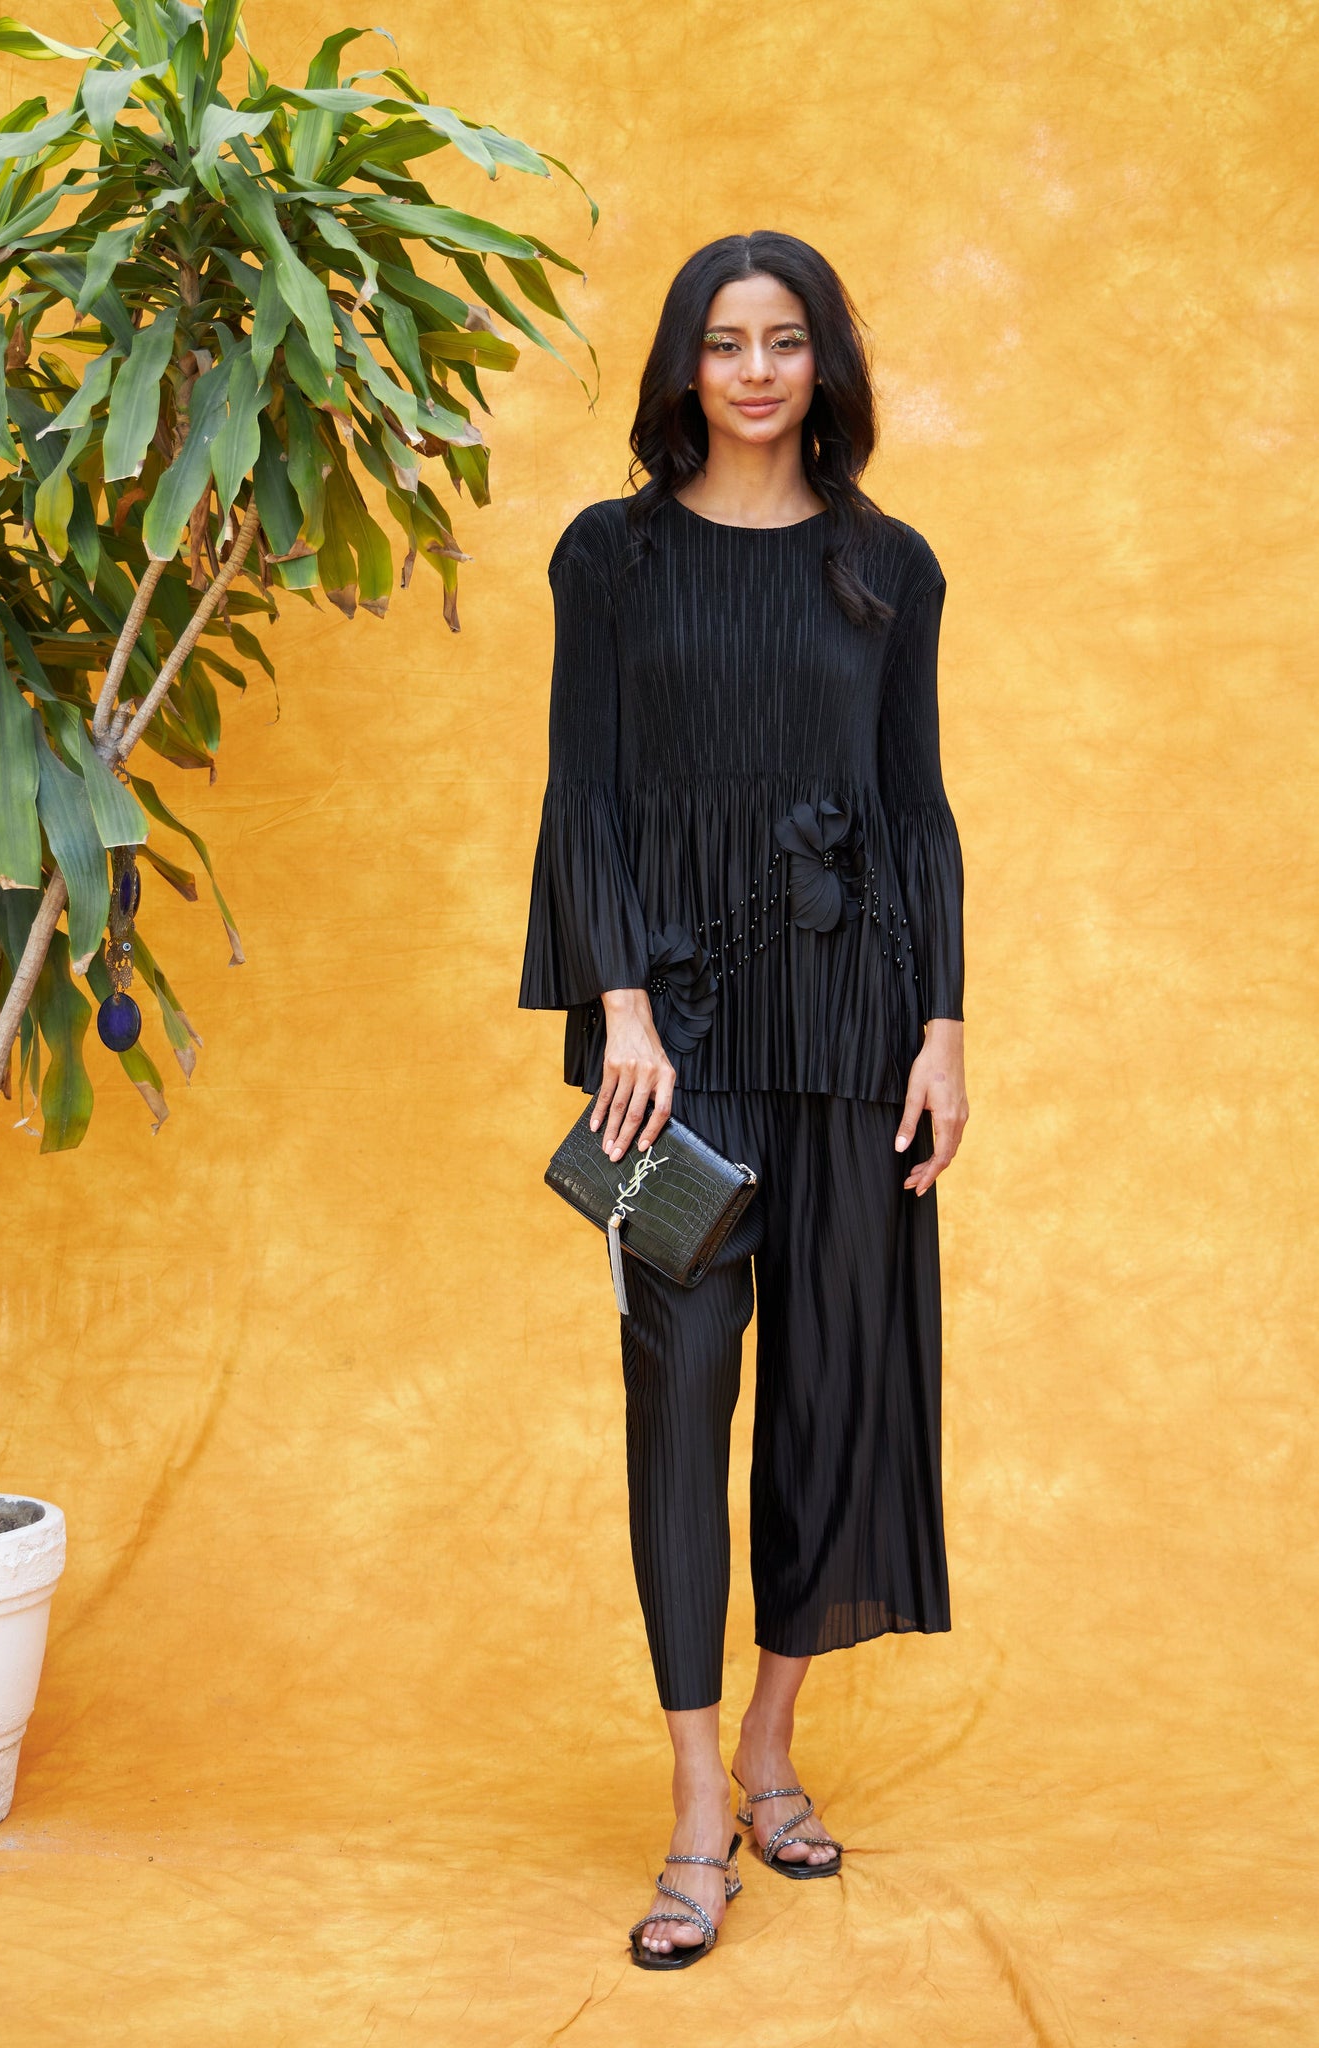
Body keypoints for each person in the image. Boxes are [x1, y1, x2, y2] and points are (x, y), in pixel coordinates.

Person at [517, 229, 969, 1969]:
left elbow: (914, 810)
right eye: (725, 342)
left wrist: (942, 1030)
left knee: (832, 1397)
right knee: (679, 1399)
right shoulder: (609, 557)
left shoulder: (889, 566)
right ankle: (698, 1795)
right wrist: (619, 1009)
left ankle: (774, 1744)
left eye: (785, 341)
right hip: (676, 1053)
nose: (757, 371)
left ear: (823, 362)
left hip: (855, 1039)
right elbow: (583, 794)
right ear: (683, 367)